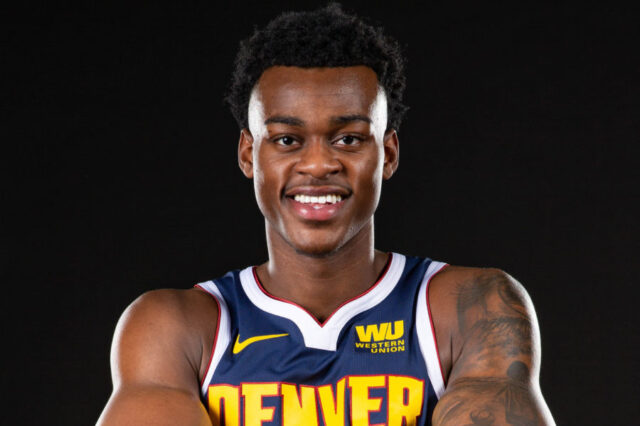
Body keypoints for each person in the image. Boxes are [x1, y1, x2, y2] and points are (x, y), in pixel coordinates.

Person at [98, 4, 554, 425]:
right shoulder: (177, 328)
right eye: (287, 140)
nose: (318, 165)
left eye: (349, 139)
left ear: (389, 154)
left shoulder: (468, 309)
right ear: (248, 155)